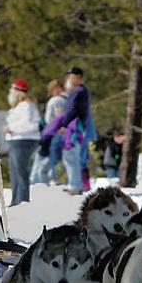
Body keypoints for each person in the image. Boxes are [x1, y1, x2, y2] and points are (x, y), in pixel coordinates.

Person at [4, 77, 41, 206]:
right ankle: (16, 200)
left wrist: (11, 128)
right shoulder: (20, 106)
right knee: (14, 172)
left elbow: (30, 125)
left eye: (12, 89)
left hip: (24, 140)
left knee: (20, 172)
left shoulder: (27, 105)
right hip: (16, 140)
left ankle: (22, 201)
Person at [58, 66, 91, 195]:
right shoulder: (79, 91)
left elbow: (71, 110)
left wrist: (64, 124)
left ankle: (75, 185)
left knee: (71, 157)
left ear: (78, 76)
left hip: (73, 128)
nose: (69, 78)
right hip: (75, 127)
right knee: (71, 157)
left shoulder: (79, 91)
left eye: (72, 75)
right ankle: (75, 184)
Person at [30, 79, 67, 185]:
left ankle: (42, 184)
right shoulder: (68, 99)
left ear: (57, 88)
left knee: (50, 163)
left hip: (54, 134)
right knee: (58, 162)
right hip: (61, 134)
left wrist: (55, 128)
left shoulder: (57, 100)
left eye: (52, 90)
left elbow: (58, 116)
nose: (52, 93)